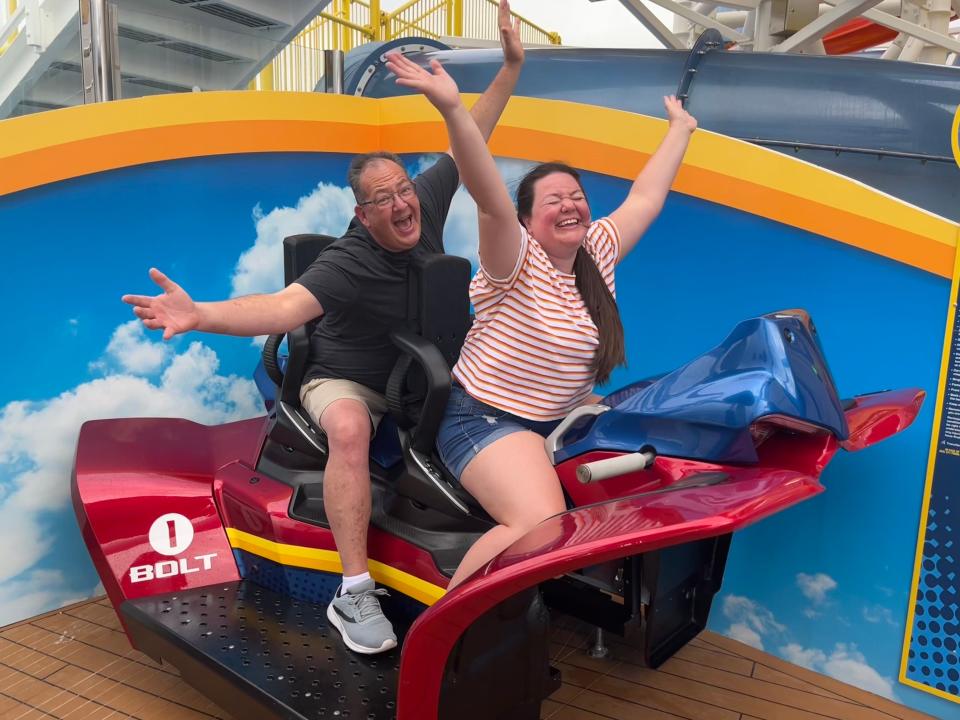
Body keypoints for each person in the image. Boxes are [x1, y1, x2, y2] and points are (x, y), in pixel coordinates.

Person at [121, 1, 525, 655]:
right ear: (363, 216)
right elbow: (280, 312)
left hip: (421, 372)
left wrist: (510, 66)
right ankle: (354, 590)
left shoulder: (423, 198)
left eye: (403, 190)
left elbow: (470, 135)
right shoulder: (349, 260)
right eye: (384, 200)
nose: (402, 205)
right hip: (349, 377)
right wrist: (199, 316)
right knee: (348, 428)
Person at [386, 50, 697, 589]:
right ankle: (443, 628)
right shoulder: (516, 257)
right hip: (486, 420)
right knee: (539, 520)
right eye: (553, 200)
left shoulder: (596, 250)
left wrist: (681, 129)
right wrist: (455, 112)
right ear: (529, 220)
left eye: (577, 196)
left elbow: (647, 196)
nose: (570, 204)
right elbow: (487, 198)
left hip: (557, 417)